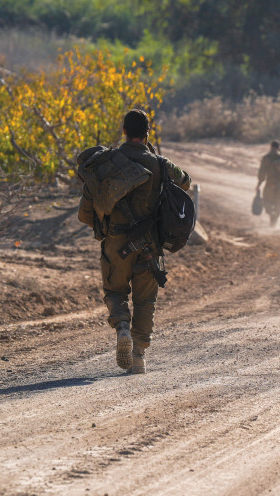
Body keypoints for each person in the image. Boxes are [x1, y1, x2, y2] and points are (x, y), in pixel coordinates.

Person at [77, 109, 191, 374]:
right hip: (149, 244)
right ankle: (138, 355)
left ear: (124, 132)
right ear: (147, 133)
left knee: (115, 292)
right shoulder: (160, 163)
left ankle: (122, 328)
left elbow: (86, 210)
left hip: (115, 242)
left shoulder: (107, 161)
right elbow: (185, 181)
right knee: (145, 301)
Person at [256, 140, 280, 227]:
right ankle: (274, 221)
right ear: (278, 147)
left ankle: (272, 218)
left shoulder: (266, 158)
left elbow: (262, 173)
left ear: (271, 146)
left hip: (269, 183)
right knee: (278, 203)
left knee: (267, 201)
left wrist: (259, 184)